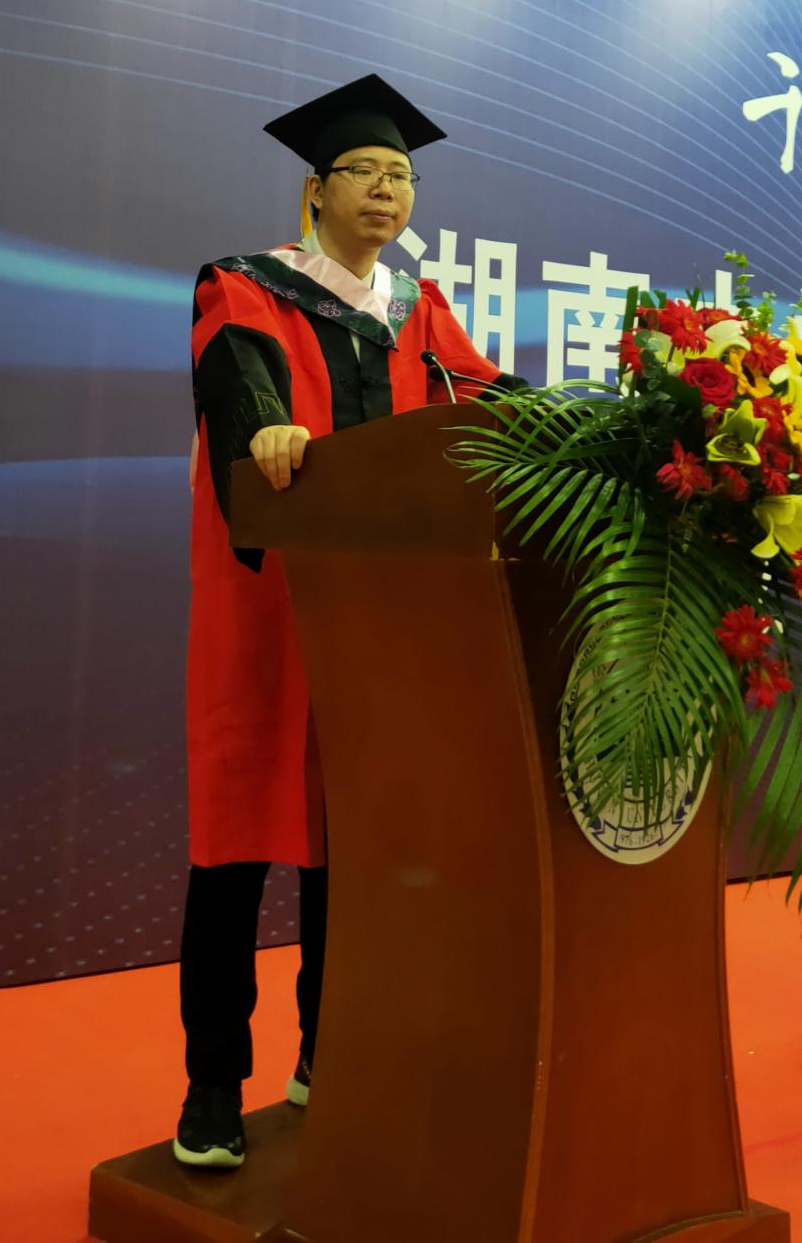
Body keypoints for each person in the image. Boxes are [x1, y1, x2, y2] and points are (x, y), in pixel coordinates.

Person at [174, 75, 523, 1168]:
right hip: (273, 607)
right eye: (363, 171)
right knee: (237, 845)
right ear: (314, 190)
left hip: (382, 617)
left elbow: (482, 394)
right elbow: (238, 381)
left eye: (401, 174)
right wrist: (268, 430)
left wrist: (577, 428)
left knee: (357, 848)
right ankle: (211, 1087)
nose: (386, 189)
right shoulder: (245, 285)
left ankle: (329, 1053)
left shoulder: (417, 311)